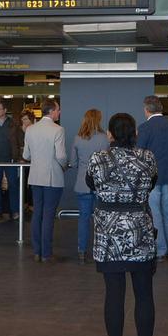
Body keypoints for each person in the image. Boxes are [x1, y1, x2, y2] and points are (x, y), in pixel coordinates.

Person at [87, 113, 164, 336]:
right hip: (139, 231)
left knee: (114, 295)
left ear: (110, 134)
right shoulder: (147, 158)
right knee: (144, 294)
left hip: (108, 235)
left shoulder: (98, 159)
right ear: (135, 134)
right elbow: (151, 184)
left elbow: (91, 184)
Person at [137, 95, 168, 261]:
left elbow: (139, 155)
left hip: (152, 178)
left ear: (146, 109)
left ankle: (161, 251)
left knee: (155, 214)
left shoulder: (144, 128)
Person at [24, 99, 67, 262]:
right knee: (49, 215)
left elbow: (26, 155)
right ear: (51, 111)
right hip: (52, 177)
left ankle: (37, 251)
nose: (59, 112)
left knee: (37, 214)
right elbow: (61, 156)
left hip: (35, 177)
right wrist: (64, 166)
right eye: (58, 110)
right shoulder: (58, 130)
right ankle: (47, 253)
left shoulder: (30, 129)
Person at [69, 109, 109, 263]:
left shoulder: (78, 139)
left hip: (82, 183)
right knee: (102, 219)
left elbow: (73, 162)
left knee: (84, 219)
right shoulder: (104, 139)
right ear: (98, 120)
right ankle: (102, 249)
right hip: (100, 183)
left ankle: (82, 251)